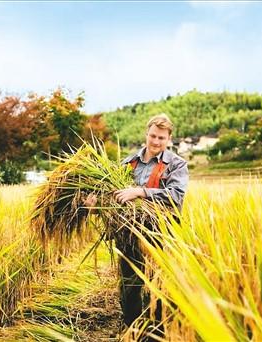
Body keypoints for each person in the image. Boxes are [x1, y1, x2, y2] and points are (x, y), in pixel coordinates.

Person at [85, 113, 188, 336]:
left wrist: (140, 192)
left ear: (169, 138)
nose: (156, 141)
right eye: (153, 136)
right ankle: (132, 329)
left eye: (161, 137)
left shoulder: (176, 165)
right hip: (128, 234)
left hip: (160, 234)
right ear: (146, 134)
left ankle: (157, 332)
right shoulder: (128, 163)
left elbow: (176, 196)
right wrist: (95, 204)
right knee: (129, 283)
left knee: (158, 283)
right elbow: (112, 196)